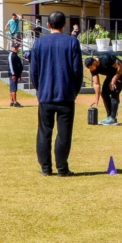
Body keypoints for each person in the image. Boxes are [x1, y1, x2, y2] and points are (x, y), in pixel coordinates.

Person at [30, 11, 83, 176]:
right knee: (64, 134)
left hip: (45, 95)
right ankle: (62, 168)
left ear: (48, 25)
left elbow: (34, 71)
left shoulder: (39, 43)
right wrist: (74, 91)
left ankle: (46, 168)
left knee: (44, 132)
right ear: (65, 25)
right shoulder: (72, 42)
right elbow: (77, 71)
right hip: (66, 94)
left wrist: (39, 89)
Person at [85, 53, 122, 126]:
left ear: (95, 62)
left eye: (91, 67)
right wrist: (96, 99)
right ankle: (109, 117)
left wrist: (114, 80)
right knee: (104, 93)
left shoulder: (106, 58)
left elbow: (120, 67)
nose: (91, 70)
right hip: (111, 73)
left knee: (114, 93)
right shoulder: (93, 69)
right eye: (90, 68)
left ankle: (113, 119)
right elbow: (96, 84)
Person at [8, 42, 24, 107]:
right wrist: (13, 74)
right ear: (12, 48)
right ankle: (15, 102)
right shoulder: (11, 55)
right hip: (13, 74)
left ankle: (12, 101)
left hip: (16, 74)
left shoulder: (16, 55)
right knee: (13, 88)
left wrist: (19, 74)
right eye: (15, 48)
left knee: (13, 87)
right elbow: (11, 65)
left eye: (17, 48)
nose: (16, 49)